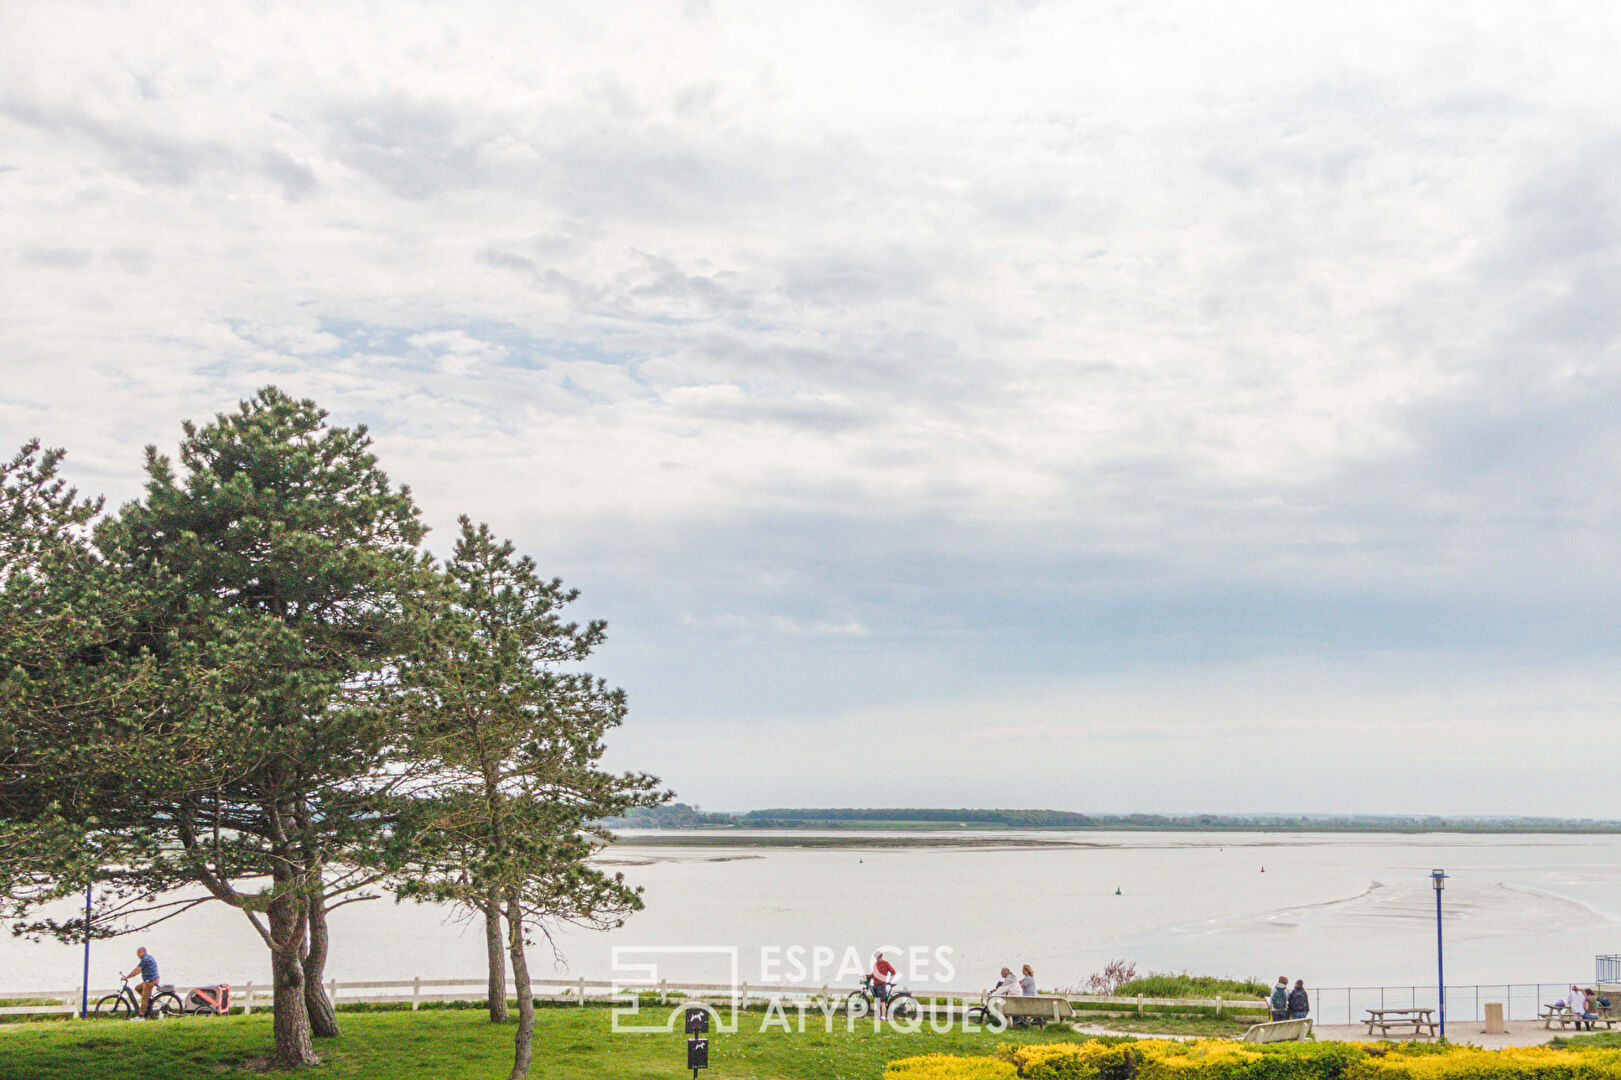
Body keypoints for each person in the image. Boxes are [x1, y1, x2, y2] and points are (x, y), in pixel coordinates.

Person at [124, 947, 159, 1019]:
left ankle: (141, 1016)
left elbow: (137, 970)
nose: (137, 955)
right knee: (137, 988)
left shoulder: (145, 959)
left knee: (144, 998)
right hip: (152, 979)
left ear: (142, 952)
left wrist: (127, 977)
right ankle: (148, 1003)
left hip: (150, 980)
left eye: (138, 953)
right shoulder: (148, 957)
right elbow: (139, 970)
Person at [869, 951, 898, 1019]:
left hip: (881, 984)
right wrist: (867, 976)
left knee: (882, 1001)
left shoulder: (885, 963)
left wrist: (890, 980)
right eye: (877, 957)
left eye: (880, 956)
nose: (879, 958)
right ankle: (878, 1016)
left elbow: (893, 972)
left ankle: (883, 1016)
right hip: (875, 984)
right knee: (877, 1001)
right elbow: (874, 974)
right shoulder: (875, 964)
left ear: (881, 956)